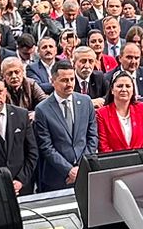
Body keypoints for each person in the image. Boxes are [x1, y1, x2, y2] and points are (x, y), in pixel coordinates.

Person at [32, 63, 97, 191]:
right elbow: (46, 146)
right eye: (64, 80)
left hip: (85, 173)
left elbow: (92, 137)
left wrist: (81, 168)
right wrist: (69, 170)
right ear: (52, 81)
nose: (69, 84)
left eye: (72, 79)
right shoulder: (42, 109)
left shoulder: (86, 102)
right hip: (57, 177)